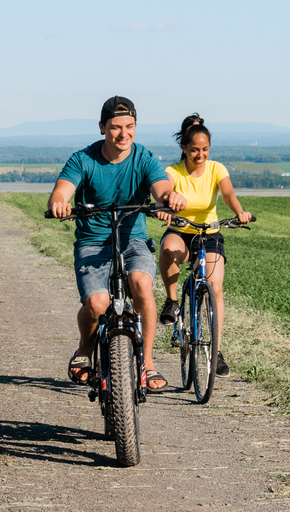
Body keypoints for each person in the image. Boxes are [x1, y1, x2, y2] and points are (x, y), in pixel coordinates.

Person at [48, 95, 186, 393]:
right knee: (98, 303)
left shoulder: (143, 158)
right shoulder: (82, 159)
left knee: (141, 284)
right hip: (93, 242)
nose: (124, 134)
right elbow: (62, 191)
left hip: (132, 240)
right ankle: (85, 348)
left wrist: (169, 198)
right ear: (102, 128)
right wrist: (60, 203)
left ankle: (147, 364)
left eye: (130, 126)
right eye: (115, 127)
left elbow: (161, 187)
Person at [157, 113, 251, 378]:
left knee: (216, 287)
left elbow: (228, 193)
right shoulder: (173, 171)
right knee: (168, 250)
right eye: (195, 150)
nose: (201, 155)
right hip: (181, 229)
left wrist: (240, 212)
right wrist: (165, 208)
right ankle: (172, 300)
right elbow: (165, 192)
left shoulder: (216, 169)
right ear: (184, 148)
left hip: (209, 233)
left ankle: (216, 352)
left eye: (205, 149)